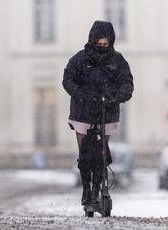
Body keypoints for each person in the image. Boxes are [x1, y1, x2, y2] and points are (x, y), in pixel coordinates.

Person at [62, 20, 134, 206]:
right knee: (84, 153)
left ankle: (97, 187)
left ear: (111, 42)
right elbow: (68, 79)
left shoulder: (118, 61)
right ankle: (86, 189)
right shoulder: (79, 60)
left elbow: (127, 83)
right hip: (82, 112)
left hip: (106, 112)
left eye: (106, 44)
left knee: (101, 154)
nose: (102, 47)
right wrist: (82, 95)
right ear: (92, 41)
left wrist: (116, 97)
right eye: (99, 44)